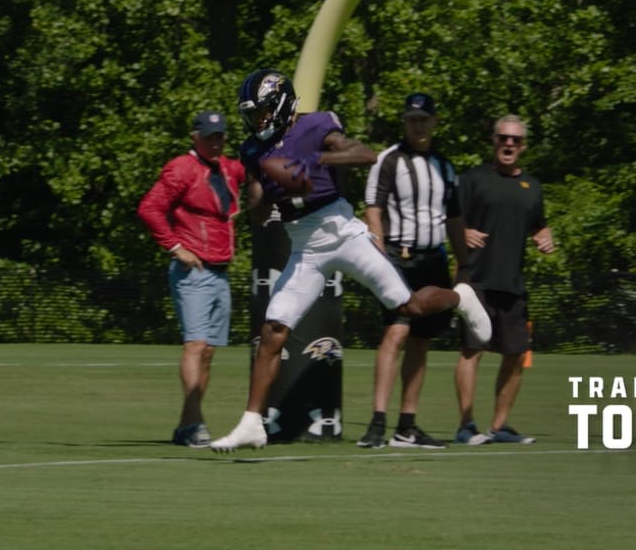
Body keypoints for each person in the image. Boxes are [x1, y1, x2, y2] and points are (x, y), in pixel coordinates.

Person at [208, 70, 490, 452]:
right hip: (304, 244)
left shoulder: (316, 124)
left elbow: (364, 154)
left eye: (261, 112)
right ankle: (251, 423)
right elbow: (258, 209)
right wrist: (263, 196)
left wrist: (314, 159)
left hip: (343, 231)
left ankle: (461, 298)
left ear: (281, 105)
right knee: (274, 329)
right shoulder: (253, 149)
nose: (256, 122)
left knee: (408, 305)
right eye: (252, 115)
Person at [357, 92, 466, 450]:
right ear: (404, 122)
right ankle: (377, 421)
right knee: (396, 334)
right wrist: (379, 256)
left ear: (434, 122)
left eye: (423, 119)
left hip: (432, 260)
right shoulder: (388, 160)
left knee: (421, 340)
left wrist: (463, 261)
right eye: (411, 119)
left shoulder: (445, 167)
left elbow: (453, 219)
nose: (417, 125)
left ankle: (407, 424)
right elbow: (373, 208)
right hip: (397, 258)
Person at [138, 111, 247, 447]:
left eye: (221, 137)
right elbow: (149, 208)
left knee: (208, 351)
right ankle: (195, 422)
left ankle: (187, 425)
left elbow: (258, 166)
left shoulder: (228, 168)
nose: (216, 142)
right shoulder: (182, 168)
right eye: (210, 136)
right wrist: (175, 248)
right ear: (195, 136)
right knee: (195, 345)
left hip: (221, 271)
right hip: (194, 272)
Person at [453, 115, 555, 445]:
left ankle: (499, 427)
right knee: (472, 351)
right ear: (494, 141)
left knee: (516, 354)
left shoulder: (532, 187)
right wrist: (462, 232)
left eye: (515, 140)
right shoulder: (473, 180)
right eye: (503, 138)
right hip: (476, 280)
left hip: (512, 283)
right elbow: (449, 219)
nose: (508, 144)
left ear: (523, 146)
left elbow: (538, 224)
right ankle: (466, 426)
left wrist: (544, 236)